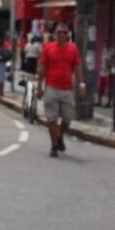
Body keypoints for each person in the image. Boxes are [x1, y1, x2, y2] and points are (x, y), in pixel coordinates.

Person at [36, 22, 85, 157]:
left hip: (67, 89)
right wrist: (39, 87)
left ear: (68, 35)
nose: (62, 35)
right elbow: (42, 68)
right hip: (51, 88)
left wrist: (82, 84)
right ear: (55, 34)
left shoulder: (73, 49)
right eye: (59, 32)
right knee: (51, 119)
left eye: (64, 32)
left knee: (67, 119)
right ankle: (54, 146)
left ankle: (59, 135)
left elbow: (78, 67)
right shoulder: (49, 48)